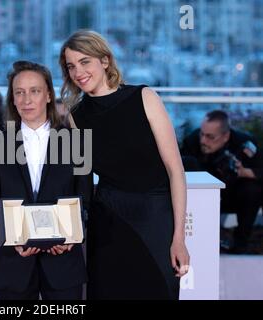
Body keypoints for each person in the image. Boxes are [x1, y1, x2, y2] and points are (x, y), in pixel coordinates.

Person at [59, 30, 189, 300]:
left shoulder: (144, 97)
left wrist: (178, 238)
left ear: (105, 61)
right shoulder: (76, 117)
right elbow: (76, 177)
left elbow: (175, 170)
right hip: (108, 220)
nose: (78, 72)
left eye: (85, 62)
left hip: (155, 217)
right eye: (71, 66)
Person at [0, 60, 92, 300]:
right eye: (19, 92)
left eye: (35, 91)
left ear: (49, 95)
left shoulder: (75, 141)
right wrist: (11, 237)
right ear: (12, 99)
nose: (26, 99)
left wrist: (71, 236)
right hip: (13, 264)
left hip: (64, 263)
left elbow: (87, 202)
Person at [181, 110, 263, 253]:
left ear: (226, 136)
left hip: (231, 195)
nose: (203, 141)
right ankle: (198, 241)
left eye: (210, 137)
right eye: (202, 134)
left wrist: (244, 172)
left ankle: (240, 243)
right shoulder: (192, 142)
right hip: (201, 197)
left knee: (252, 189)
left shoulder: (244, 143)